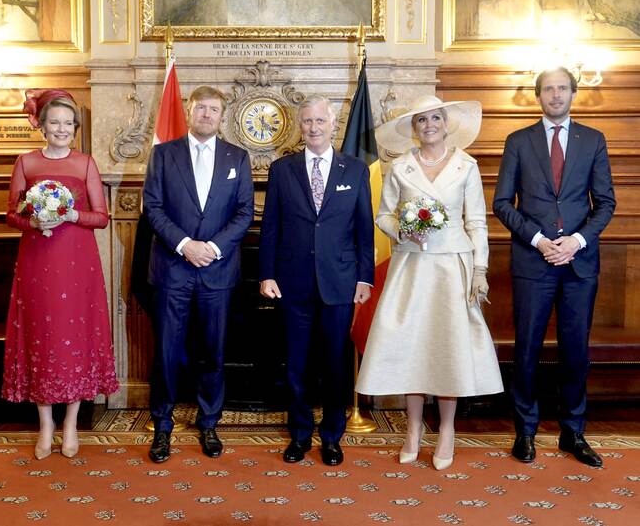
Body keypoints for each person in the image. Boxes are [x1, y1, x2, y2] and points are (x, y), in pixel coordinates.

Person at [355, 95, 503, 470]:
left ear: (446, 122)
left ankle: (448, 430)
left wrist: (480, 270)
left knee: (448, 347)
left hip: (453, 266)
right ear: (414, 128)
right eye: (422, 120)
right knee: (412, 347)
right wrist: (405, 228)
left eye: (435, 118)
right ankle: (413, 429)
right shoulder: (401, 167)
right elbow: (384, 216)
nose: (430, 125)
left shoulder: (466, 166)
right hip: (412, 268)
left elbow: (477, 222)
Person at [493, 68, 615, 467]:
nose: (556, 95)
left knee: (575, 351)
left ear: (574, 93)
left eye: (563, 88)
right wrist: (540, 240)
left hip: (579, 264)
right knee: (526, 349)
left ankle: (572, 432)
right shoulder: (518, 141)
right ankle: (525, 432)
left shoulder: (593, 140)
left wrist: (575, 242)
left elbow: (606, 203)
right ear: (539, 95)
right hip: (533, 261)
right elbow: (502, 204)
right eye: (549, 89)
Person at [1, 89, 119, 460]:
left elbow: (102, 217)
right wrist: (33, 220)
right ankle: (45, 423)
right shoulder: (26, 162)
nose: (62, 128)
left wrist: (72, 216)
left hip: (77, 263)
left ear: (75, 128)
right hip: (38, 261)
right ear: (42, 125)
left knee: (75, 337)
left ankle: (70, 423)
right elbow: (11, 215)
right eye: (55, 122)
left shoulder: (85, 163)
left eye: (68, 123)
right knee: (42, 335)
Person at [258, 95, 374, 466]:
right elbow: (270, 227)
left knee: (336, 364)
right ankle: (300, 435)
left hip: (340, 282)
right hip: (292, 282)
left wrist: (364, 278)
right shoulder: (282, 169)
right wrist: (266, 273)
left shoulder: (355, 170)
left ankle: (332, 437)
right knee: (296, 364)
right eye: (307, 121)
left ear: (333, 123)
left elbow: (363, 231)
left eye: (320, 121)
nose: (313, 127)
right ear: (300, 125)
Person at [143, 85, 254, 463]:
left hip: (218, 272)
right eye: (201, 108)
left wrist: (213, 248)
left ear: (222, 116)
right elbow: (153, 208)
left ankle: (209, 423)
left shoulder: (237, 158)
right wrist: (185, 244)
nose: (207, 114)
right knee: (167, 353)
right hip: (173, 269)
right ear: (189, 112)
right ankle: (162, 426)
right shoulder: (163, 155)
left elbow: (244, 212)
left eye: (214, 110)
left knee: (213, 353)